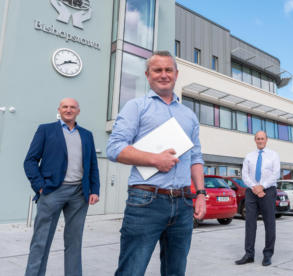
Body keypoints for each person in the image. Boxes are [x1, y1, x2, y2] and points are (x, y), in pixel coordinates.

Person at [106, 50, 206, 276]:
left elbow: (196, 158)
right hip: (146, 201)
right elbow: (114, 148)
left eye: (168, 70)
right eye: (157, 70)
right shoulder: (136, 107)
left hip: (183, 203)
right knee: (131, 271)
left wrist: (200, 193)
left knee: (175, 271)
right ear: (147, 75)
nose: (163, 74)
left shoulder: (189, 116)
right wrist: (155, 159)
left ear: (176, 74)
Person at [23, 98, 100, 276]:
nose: (68, 109)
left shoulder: (87, 135)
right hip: (52, 191)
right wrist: (40, 186)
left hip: (79, 194)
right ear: (59, 109)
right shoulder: (45, 130)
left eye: (72, 107)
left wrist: (95, 190)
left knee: (74, 242)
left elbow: (92, 165)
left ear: (78, 111)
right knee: (41, 241)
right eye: (65, 106)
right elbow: (30, 161)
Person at [235, 130, 280, 267]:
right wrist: (255, 187)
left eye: (262, 138)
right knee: (250, 224)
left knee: (269, 223)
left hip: (268, 191)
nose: (260, 141)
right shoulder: (249, 156)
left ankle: (267, 255)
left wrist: (263, 186)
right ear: (255, 140)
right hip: (251, 192)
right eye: (258, 138)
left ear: (266, 140)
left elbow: (276, 173)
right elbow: (245, 175)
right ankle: (249, 254)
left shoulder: (273, 155)